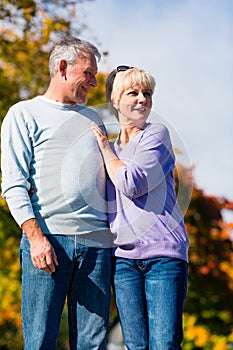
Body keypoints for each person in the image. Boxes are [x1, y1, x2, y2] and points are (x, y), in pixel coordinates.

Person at [1, 36, 113, 350]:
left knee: (93, 344)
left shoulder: (93, 119)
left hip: (96, 246)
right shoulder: (23, 114)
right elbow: (13, 183)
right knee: (40, 341)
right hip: (49, 241)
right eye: (88, 73)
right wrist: (36, 238)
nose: (93, 82)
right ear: (62, 67)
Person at [91, 66, 190, 350]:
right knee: (135, 346)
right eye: (132, 92)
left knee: (164, 344)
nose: (142, 99)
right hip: (123, 260)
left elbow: (132, 184)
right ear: (114, 101)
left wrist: (105, 149)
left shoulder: (156, 136)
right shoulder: (109, 149)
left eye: (147, 93)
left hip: (163, 256)